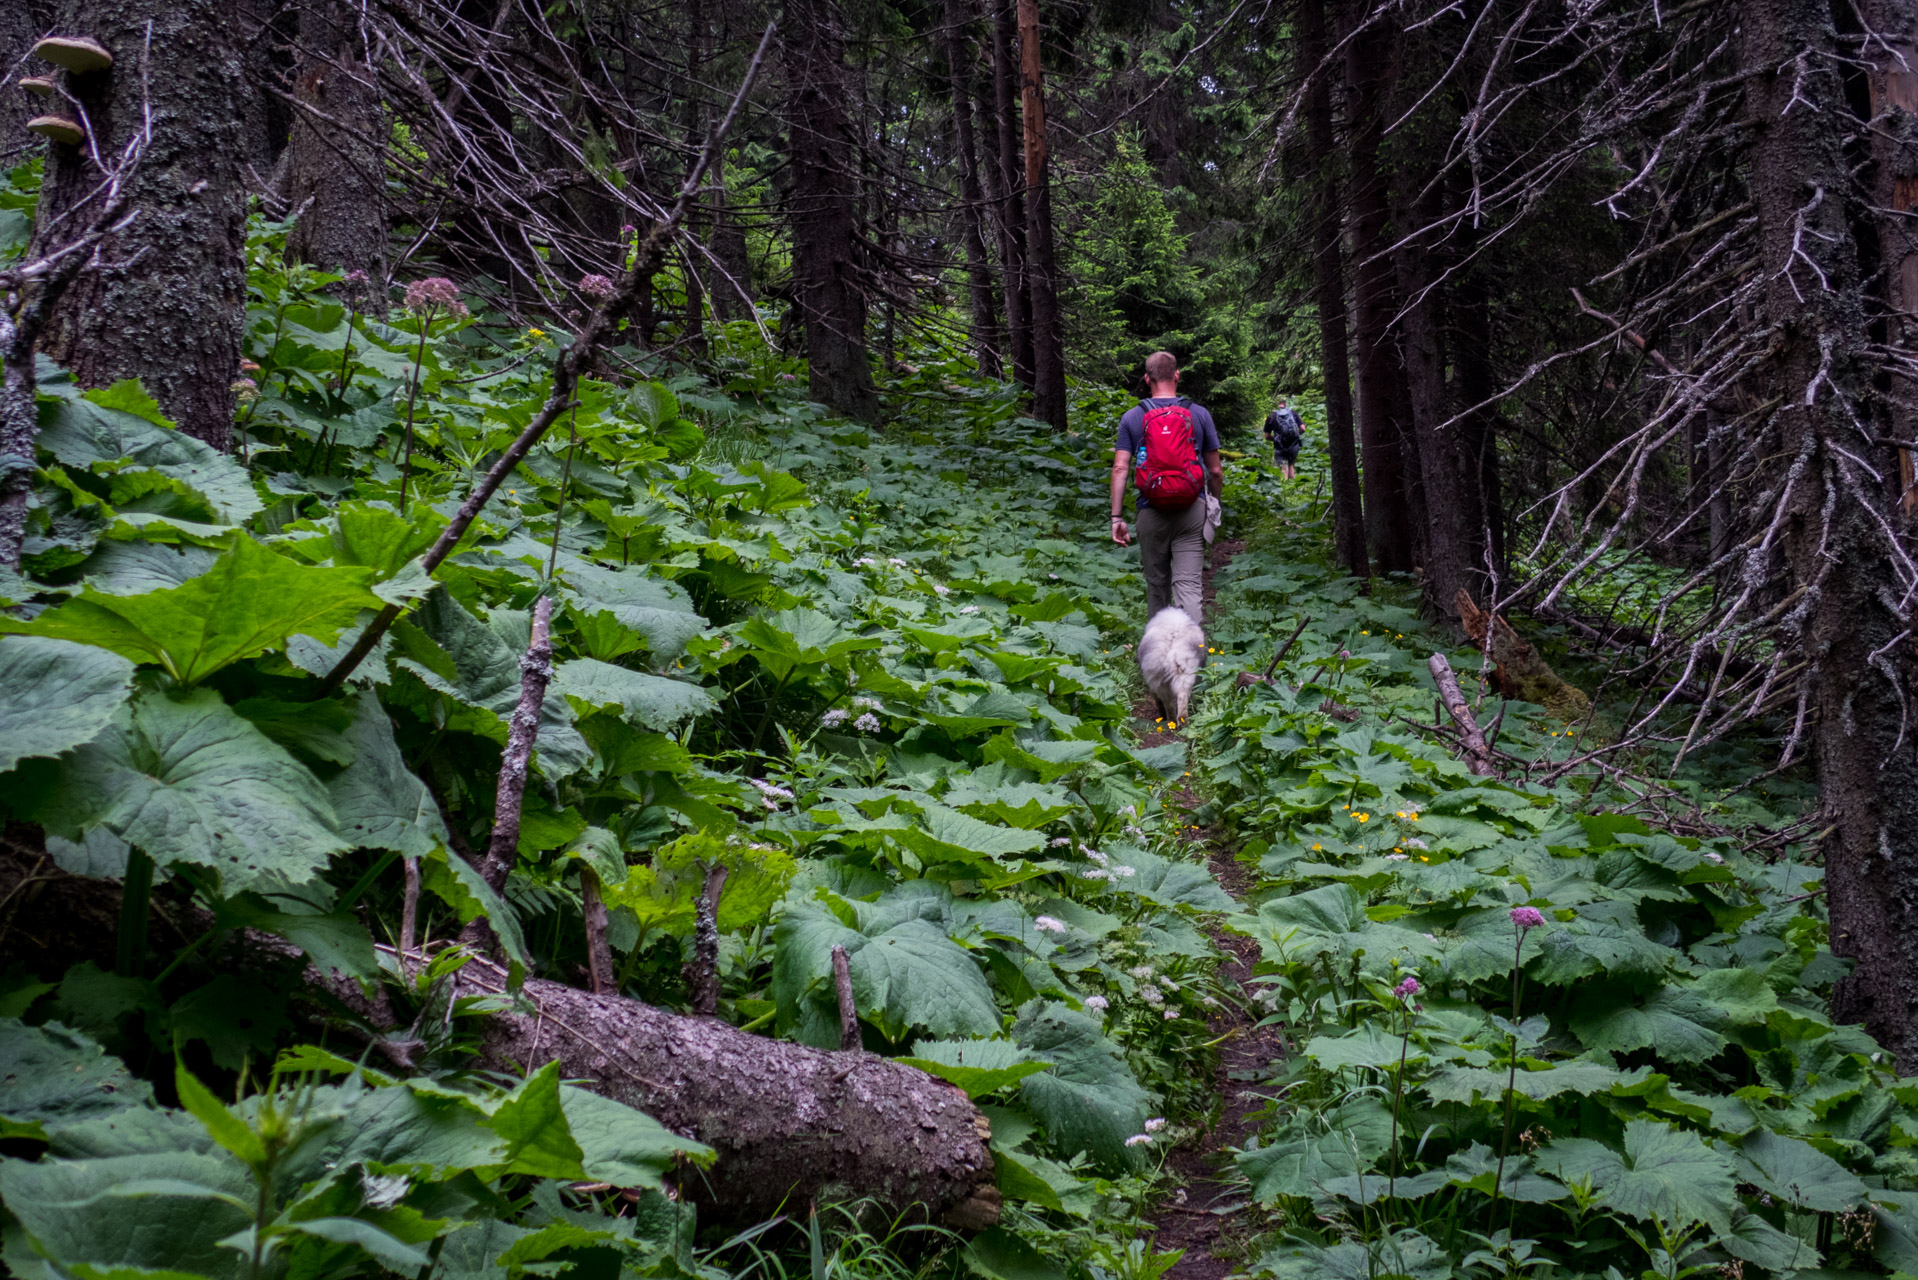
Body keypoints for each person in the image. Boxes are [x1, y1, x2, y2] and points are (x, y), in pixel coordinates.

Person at [1109, 351, 1224, 620]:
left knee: (1157, 586)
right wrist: (1212, 502)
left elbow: (1120, 468)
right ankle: (1191, 657)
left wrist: (1116, 516)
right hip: (1192, 509)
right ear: (1176, 375)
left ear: (1147, 379)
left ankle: (1159, 659)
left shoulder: (1132, 418)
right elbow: (1215, 470)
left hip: (1150, 510)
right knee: (1189, 587)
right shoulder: (1199, 414)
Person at [1264, 397, 1304, 480]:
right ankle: (1293, 488)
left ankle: (1285, 489)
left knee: (1284, 468)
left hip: (1280, 446)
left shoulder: (1271, 415)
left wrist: (1275, 439)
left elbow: (1267, 436)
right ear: (1285, 403)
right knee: (1291, 465)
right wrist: (1297, 435)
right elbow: (1303, 428)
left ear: (1276, 403)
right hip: (1293, 445)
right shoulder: (1292, 413)